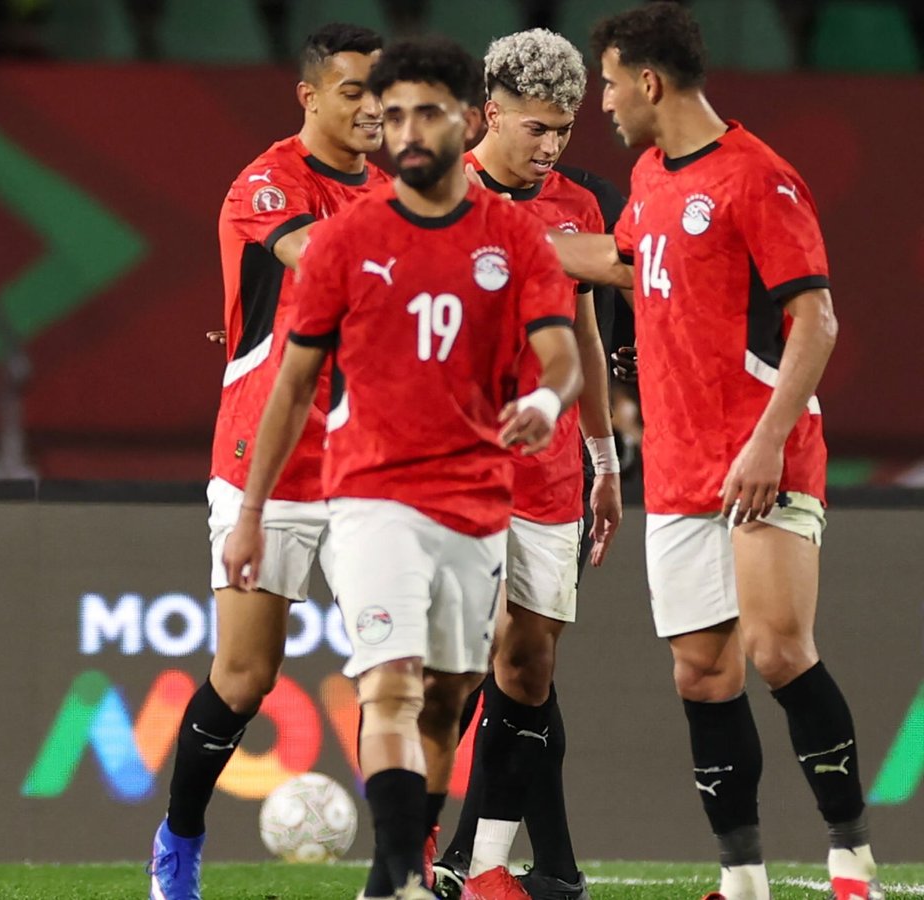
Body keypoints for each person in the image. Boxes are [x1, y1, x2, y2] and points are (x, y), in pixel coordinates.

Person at [226, 37, 583, 900]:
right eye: (392, 116)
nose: (407, 131)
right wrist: (251, 511)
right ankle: (394, 882)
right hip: (373, 497)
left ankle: (409, 864)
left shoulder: (518, 241)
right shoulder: (345, 242)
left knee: (447, 700)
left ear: (467, 121)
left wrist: (547, 402)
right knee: (388, 684)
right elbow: (295, 383)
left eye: (426, 112)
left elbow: (565, 352)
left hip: (477, 503)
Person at [551, 4, 878, 897]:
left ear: (649, 81)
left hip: (761, 454)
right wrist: (499, 241)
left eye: (611, 85)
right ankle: (742, 879)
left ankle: (851, 860)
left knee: (777, 649)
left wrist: (769, 439)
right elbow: (623, 260)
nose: (604, 105)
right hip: (682, 464)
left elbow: (817, 322)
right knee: (701, 672)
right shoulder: (652, 176)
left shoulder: (758, 178)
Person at [149, 23, 392, 900]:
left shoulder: (399, 193)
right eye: (357, 90)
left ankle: (405, 864)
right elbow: (318, 257)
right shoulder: (266, 183)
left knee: (392, 677)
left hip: (370, 466)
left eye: (385, 92)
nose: (374, 108)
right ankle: (178, 839)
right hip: (268, 459)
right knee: (246, 676)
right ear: (312, 94)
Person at [430, 29, 621, 900]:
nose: (550, 147)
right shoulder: (428, 194)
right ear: (488, 115)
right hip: (450, 470)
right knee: (447, 668)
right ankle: (419, 848)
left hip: (548, 474)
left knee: (528, 667)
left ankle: (490, 868)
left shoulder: (577, 205)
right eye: (536, 128)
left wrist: (603, 457)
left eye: (565, 130)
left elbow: (585, 332)